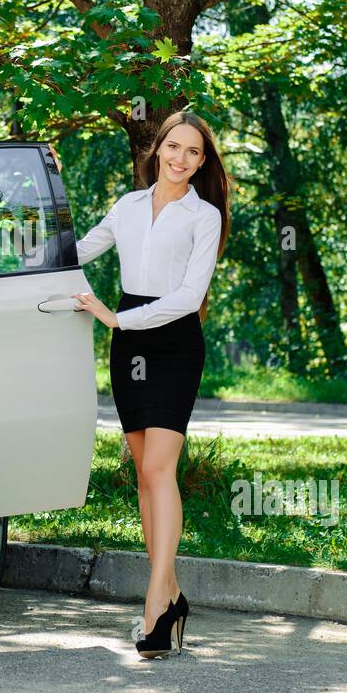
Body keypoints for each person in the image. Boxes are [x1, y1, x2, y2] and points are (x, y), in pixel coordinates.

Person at [73, 112, 230, 659]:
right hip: (129, 347)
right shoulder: (128, 206)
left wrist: (116, 319)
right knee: (145, 473)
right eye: (173, 147)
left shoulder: (203, 216)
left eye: (193, 152)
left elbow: (189, 298)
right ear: (157, 148)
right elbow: (78, 253)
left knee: (161, 468)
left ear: (202, 162)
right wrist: (17, 250)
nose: (180, 158)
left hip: (174, 342)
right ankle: (175, 592)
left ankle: (156, 608)